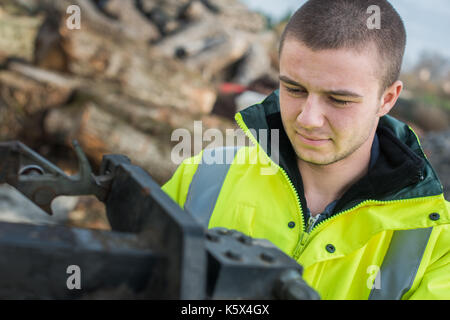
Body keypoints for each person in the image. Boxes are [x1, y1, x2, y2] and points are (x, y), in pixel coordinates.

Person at [162, 0, 450, 300]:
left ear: (387, 99)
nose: (308, 119)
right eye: (294, 90)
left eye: (338, 99)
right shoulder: (205, 175)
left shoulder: (437, 245)